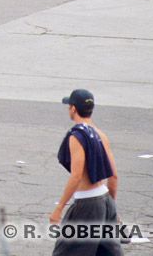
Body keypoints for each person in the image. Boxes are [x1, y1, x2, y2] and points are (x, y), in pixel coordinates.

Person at [49, 89, 122, 256]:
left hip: (87, 204)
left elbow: (76, 176)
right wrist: (111, 207)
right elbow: (113, 176)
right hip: (104, 200)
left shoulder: (77, 136)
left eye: (69, 105)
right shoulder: (100, 134)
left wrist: (59, 208)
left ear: (73, 109)